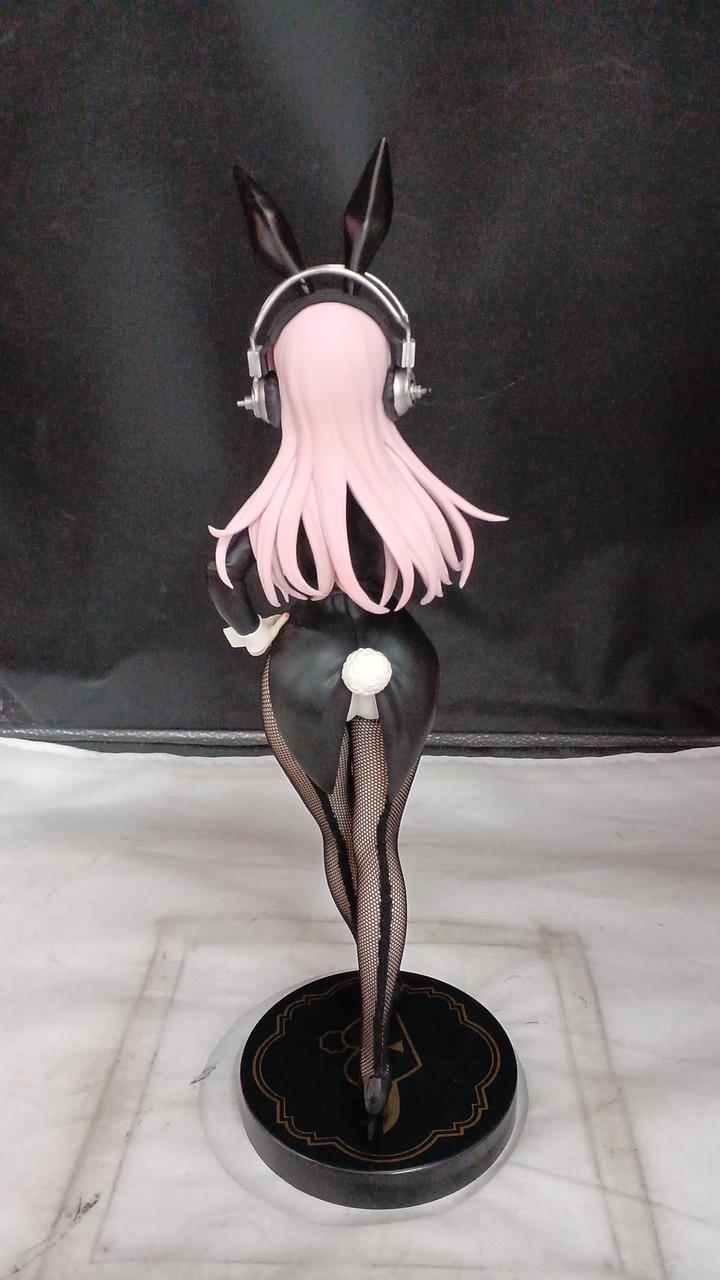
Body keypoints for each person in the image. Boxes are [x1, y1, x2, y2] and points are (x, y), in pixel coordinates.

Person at [208, 140, 506, 1135]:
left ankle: (370, 995)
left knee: (343, 836)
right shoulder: (403, 496)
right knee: (381, 841)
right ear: (392, 378)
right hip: (401, 664)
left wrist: (255, 631)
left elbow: (229, 582)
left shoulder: (274, 506)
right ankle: (378, 1046)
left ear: (273, 384)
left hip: (304, 668)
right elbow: (428, 575)